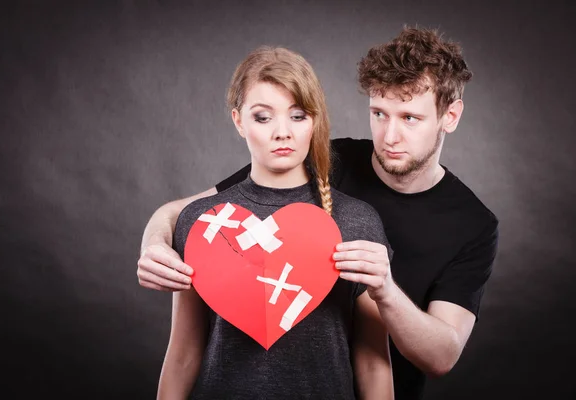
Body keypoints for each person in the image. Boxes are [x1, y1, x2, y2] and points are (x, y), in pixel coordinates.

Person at [140, 27, 499, 400]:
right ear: (239, 120)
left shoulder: (470, 224)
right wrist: (155, 243)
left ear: (450, 116)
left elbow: (435, 356)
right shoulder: (319, 157)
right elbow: (185, 213)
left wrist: (385, 290)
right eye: (379, 113)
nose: (390, 136)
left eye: (410, 118)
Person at [156, 46, 394, 399]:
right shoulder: (203, 222)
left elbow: (373, 361)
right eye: (263, 117)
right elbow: (183, 354)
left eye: (298, 116)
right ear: (239, 121)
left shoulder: (356, 221)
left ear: (315, 120)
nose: (282, 132)